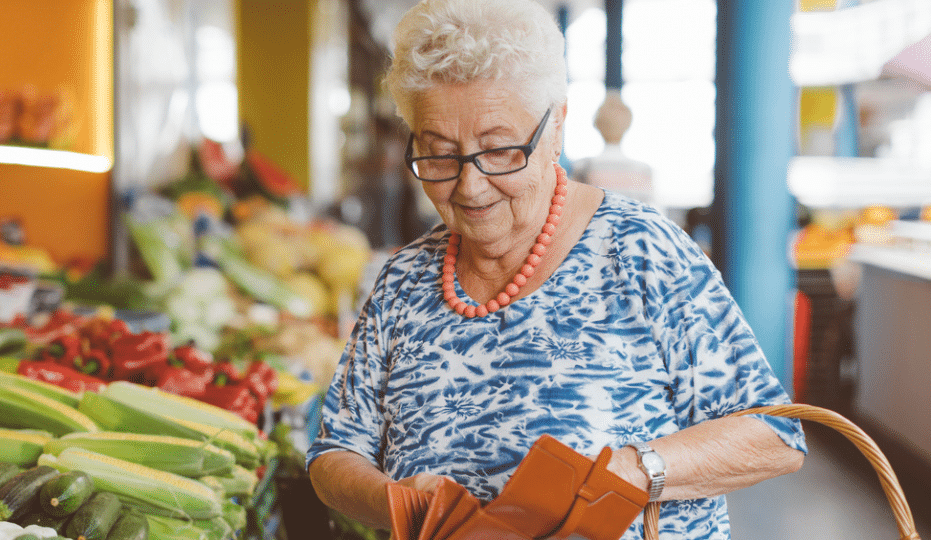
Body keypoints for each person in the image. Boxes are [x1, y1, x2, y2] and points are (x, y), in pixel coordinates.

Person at [304, 1, 806, 539]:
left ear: (556, 128)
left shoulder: (642, 253)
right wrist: (399, 504)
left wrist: (633, 471)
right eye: (439, 154)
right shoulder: (402, 283)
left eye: (498, 151)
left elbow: (771, 433)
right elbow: (335, 453)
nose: (469, 187)